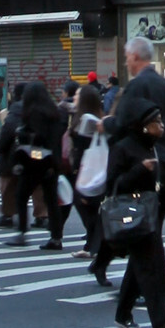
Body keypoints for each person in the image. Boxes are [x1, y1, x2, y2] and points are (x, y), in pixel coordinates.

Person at [103, 98, 165, 328]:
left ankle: (123, 313)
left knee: (140, 265)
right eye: (155, 122)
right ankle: (161, 322)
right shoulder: (123, 148)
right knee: (153, 267)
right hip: (131, 215)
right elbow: (113, 185)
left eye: (161, 121)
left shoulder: (159, 150)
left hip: (153, 216)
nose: (161, 126)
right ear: (142, 125)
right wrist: (140, 170)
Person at [10, 79, 67, 250]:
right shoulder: (55, 113)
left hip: (35, 161)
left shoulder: (33, 113)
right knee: (51, 200)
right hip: (52, 162)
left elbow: (36, 138)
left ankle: (21, 231)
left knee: (21, 195)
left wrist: (22, 135)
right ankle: (56, 237)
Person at [68, 81, 107, 270]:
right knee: (90, 207)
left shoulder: (87, 120)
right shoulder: (90, 117)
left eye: (77, 95)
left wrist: (76, 171)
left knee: (86, 206)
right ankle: (92, 245)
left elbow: (82, 147)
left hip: (87, 169)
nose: (74, 97)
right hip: (89, 168)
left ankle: (96, 245)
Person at [105, 36, 165, 138]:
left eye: (127, 57)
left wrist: (106, 123)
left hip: (142, 151)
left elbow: (121, 124)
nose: (126, 63)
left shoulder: (136, 85)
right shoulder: (164, 84)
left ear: (135, 57)